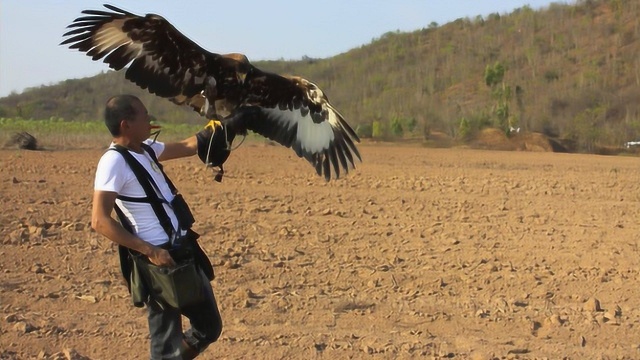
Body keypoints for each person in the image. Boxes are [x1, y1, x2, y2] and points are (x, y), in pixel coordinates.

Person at [91, 94, 235, 359]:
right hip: (157, 263)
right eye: (144, 115)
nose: (150, 119)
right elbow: (99, 220)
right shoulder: (113, 162)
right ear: (126, 124)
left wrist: (226, 123)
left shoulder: (146, 149)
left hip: (183, 251)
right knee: (165, 344)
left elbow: (189, 145)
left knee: (209, 327)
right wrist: (150, 251)